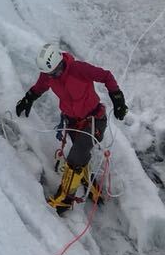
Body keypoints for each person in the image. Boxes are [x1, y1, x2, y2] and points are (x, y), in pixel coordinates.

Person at [15, 42, 127, 208]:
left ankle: (65, 200)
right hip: (73, 121)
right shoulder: (48, 75)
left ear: (60, 62)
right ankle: (92, 187)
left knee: (75, 157)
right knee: (80, 156)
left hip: (94, 120)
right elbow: (40, 87)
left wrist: (118, 99)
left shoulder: (78, 69)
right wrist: (28, 98)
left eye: (55, 72)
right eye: (50, 74)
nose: (53, 76)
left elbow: (106, 76)